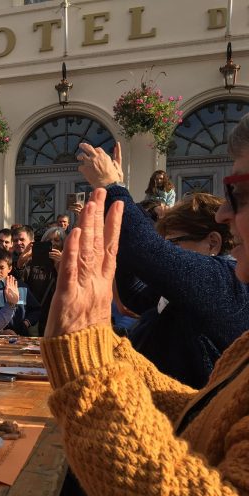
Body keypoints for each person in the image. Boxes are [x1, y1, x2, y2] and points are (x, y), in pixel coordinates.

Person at [39, 174, 249, 496]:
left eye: (238, 193)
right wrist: (97, 341)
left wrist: (88, 370)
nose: (224, 212)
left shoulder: (225, 286)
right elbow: (199, 412)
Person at [77, 141, 249, 389]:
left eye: (174, 245)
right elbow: (136, 293)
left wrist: (111, 186)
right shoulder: (187, 294)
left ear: (212, 243)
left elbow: (146, 250)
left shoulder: (223, 281)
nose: (168, 253)